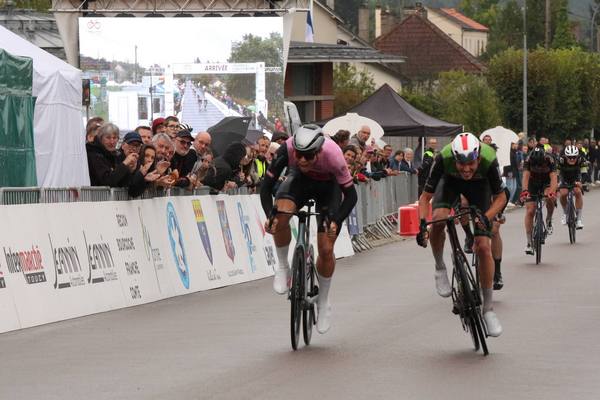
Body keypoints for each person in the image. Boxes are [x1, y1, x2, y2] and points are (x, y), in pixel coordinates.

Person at [261, 124, 358, 334]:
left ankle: (323, 301)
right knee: (281, 215)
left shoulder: (333, 154)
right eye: (300, 155)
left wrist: (336, 220)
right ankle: (283, 267)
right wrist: (271, 215)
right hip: (298, 182)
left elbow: (351, 196)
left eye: (308, 156)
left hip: (327, 188)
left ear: (319, 151)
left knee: (325, 248)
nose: (303, 160)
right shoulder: (286, 149)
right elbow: (265, 187)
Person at [416, 132, 506, 337]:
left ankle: (488, 309)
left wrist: (487, 216)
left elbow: (500, 197)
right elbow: (425, 197)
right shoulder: (443, 158)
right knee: (438, 219)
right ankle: (440, 267)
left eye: (471, 164)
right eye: (461, 164)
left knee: (483, 246)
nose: (466, 169)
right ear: (454, 158)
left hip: (480, 188)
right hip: (449, 184)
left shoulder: (489, 158)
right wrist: (422, 224)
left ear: (478, 158)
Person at [519, 145, 558, 255]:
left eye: (539, 164)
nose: (537, 166)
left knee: (550, 197)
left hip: (546, 182)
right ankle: (529, 242)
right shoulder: (528, 159)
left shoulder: (549, 159)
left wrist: (552, 191)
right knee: (530, 210)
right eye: (535, 164)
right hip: (533, 184)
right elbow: (525, 177)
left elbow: (554, 178)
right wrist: (525, 191)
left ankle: (549, 219)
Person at [86, 122, 135, 187]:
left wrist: (129, 170)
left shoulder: (115, 155)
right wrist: (125, 163)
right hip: (95, 196)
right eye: (108, 138)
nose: (112, 142)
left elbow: (121, 184)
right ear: (101, 138)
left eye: (114, 138)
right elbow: (107, 180)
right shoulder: (94, 153)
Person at [558, 145, 585, 229]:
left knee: (577, 192)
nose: (572, 159)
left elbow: (584, 173)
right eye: (570, 157)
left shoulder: (581, 160)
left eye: (574, 157)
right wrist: (557, 183)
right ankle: (565, 213)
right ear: (566, 156)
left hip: (576, 178)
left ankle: (579, 219)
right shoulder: (561, 160)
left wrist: (581, 182)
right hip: (564, 178)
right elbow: (556, 173)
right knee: (563, 193)